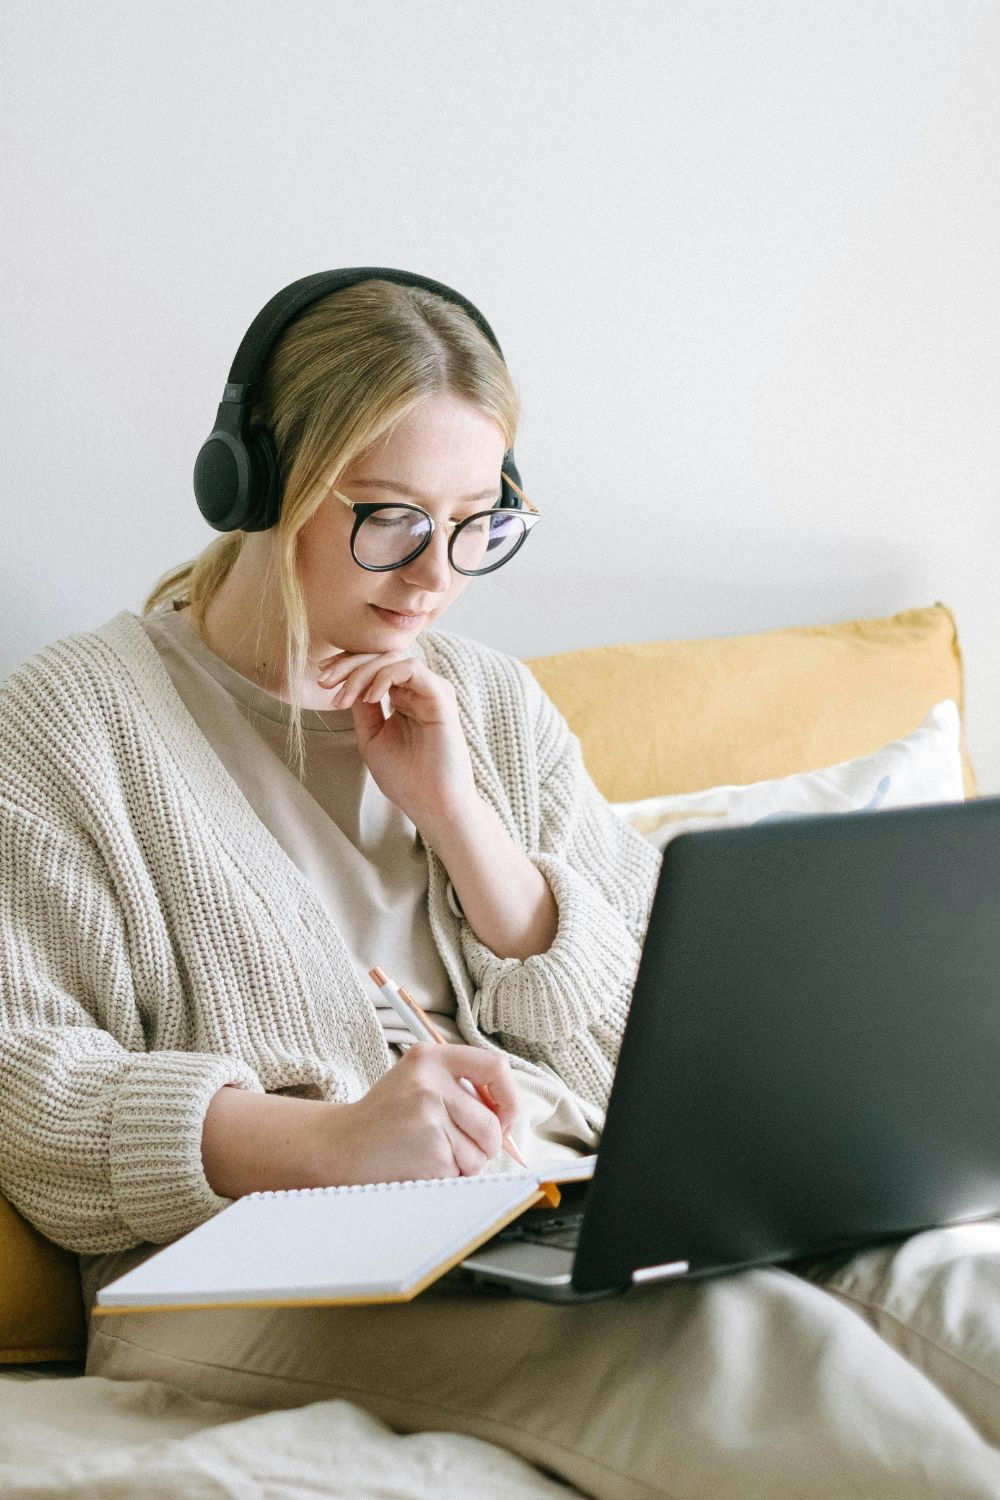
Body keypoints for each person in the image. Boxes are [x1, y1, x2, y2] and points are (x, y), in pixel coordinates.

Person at [1, 273, 999, 1500]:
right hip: (250, 1272)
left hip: (560, 1208)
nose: (434, 576)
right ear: (258, 487)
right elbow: (36, 1092)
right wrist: (334, 1142)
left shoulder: (488, 702)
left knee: (953, 1287)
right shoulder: (71, 724)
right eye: (390, 518)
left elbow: (661, 1033)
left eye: (477, 520)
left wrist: (464, 823)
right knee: (757, 1363)